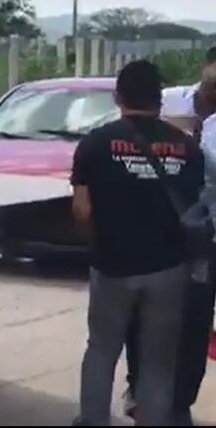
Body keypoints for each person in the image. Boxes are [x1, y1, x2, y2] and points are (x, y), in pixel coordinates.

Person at [72, 60, 206, 426]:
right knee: (158, 359)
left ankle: (93, 421)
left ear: (118, 98)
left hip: (112, 265)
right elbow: (196, 205)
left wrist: (100, 237)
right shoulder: (188, 148)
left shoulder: (95, 144)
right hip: (169, 268)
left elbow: (82, 210)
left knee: (102, 350)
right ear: (159, 101)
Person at [123, 54, 216, 424]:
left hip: (204, 240)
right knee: (141, 315)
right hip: (153, 231)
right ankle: (139, 389)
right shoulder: (168, 100)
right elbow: (125, 131)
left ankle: (180, 404)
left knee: (194, 321)